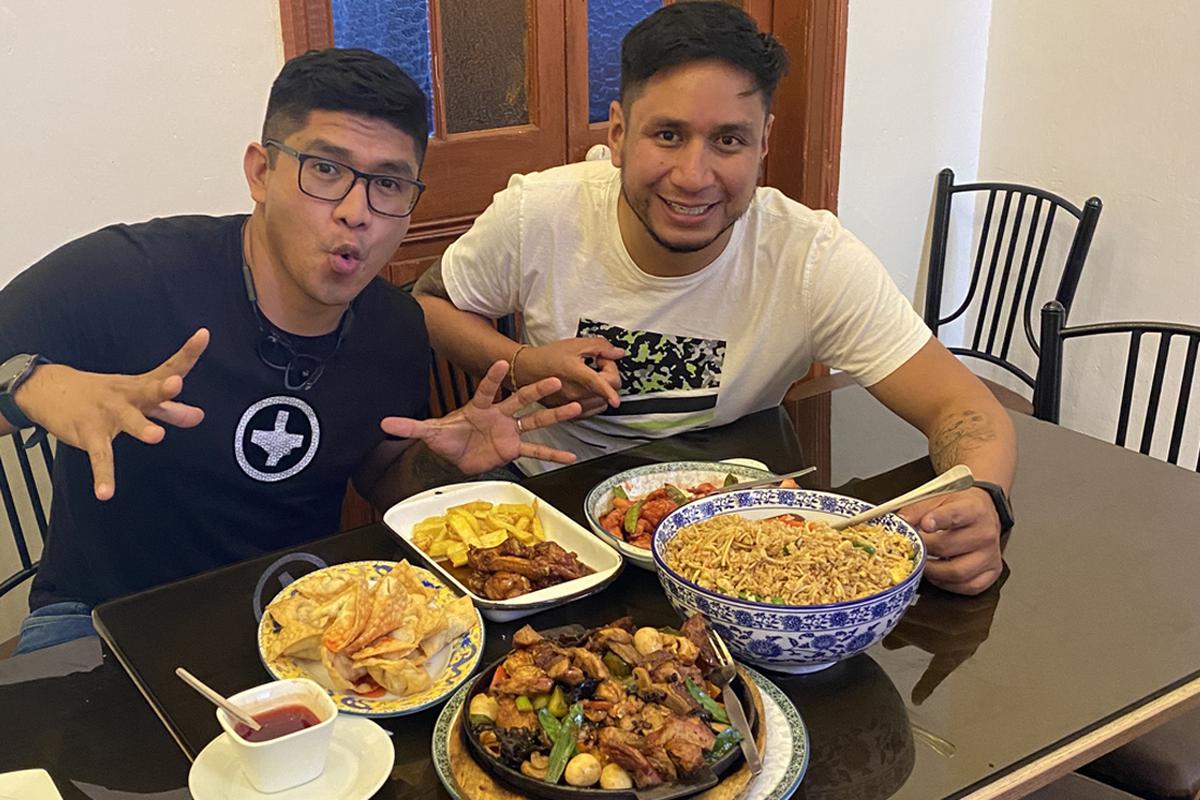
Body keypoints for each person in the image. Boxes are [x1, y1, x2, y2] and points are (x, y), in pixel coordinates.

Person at [413, 2, 1017, 596]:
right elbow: (430, 304)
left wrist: (984, 498)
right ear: (618, 133)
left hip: (737, 541)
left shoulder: (810, 257)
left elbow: (965, 408)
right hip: (553, 522)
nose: (693, 176)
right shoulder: (541, 213)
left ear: (763, 143)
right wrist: (522, 362)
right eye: (667, 135)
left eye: (728, 140)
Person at [0, 48, 581, 654]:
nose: (356, 213)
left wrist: (445, 464)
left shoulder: (397, 326)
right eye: (325, 170)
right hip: (100, 620)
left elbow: (381, 478)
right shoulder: (130, 275)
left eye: (387, 184)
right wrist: (31, 386)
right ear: (260, 172)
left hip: (300, 615)